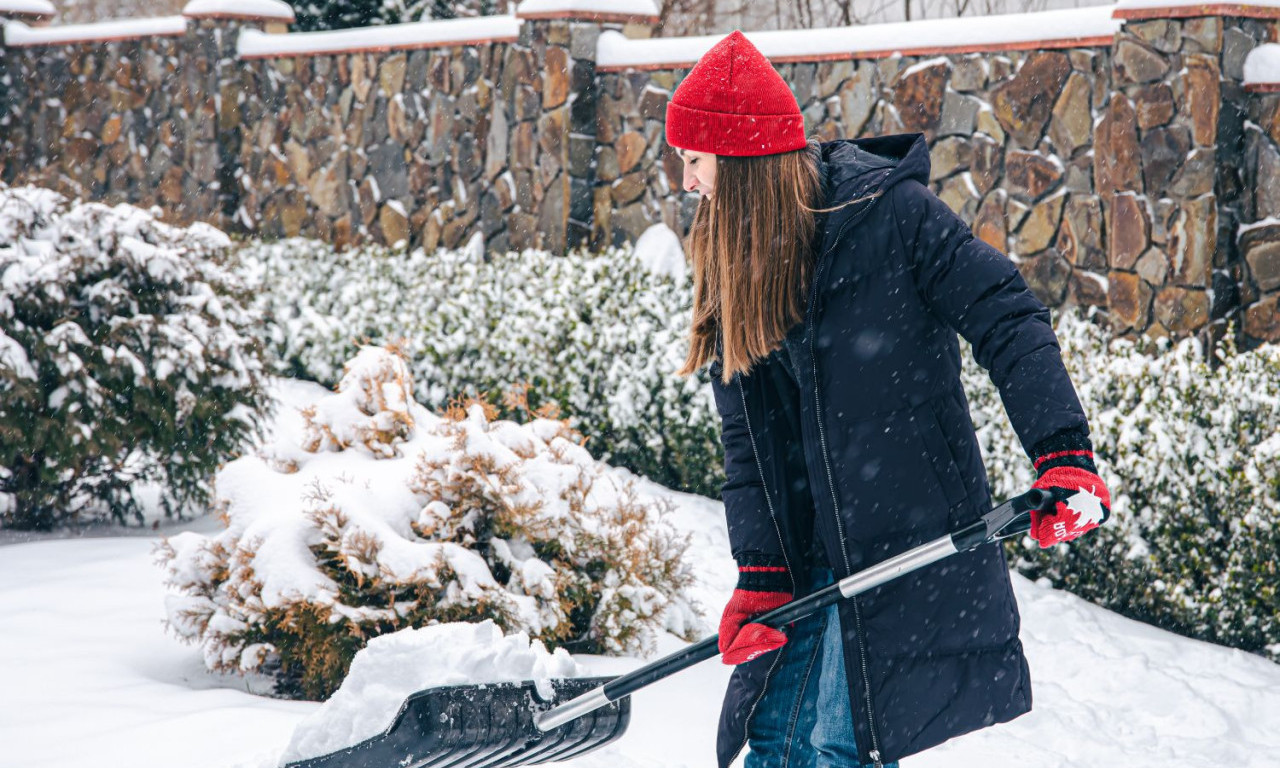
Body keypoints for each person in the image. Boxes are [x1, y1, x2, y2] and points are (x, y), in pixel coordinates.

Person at [665, 31, 1111, 768]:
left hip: (902, 546)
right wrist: (761, 573)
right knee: (774, 744)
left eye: (694, 161)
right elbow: (749, 443)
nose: (686, 182)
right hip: (811, 564)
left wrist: (1062, 453)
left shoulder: (893, 217)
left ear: (741, 164)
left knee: (837, 747)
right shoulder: (734, 257)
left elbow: (1007, 312)